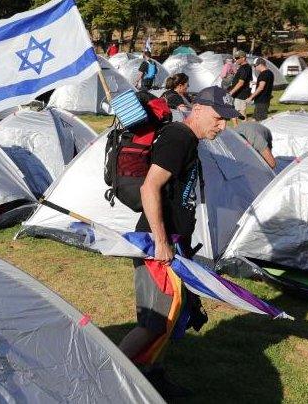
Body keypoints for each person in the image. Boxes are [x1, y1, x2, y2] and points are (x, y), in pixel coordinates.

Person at [118, 86, 240, 396]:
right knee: (153, 322)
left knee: (171, 318)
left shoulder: (189, 141)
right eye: (218, 118)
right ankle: (110, 372)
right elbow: (150, 188)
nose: (222, 126)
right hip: (155, 245)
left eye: (226, 120)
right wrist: (161, 241)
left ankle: (154, 377)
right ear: (197, 109)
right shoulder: (178, 138)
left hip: (173, 244)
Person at [227, 51, 252, 123]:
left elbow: (241, 83)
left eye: (237, 58)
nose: (235, 59)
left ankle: (245, 130)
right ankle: (237, 129)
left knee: (241, 112)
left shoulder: (245, 68)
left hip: (241, 94)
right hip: (238, 94)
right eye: (234, 58)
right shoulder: (243, 67)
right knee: (234, 111)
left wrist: (231, 92)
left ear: (243, 58)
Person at [247, 57, 274, 122]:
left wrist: (251, 97)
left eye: (255, 66)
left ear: (260, 64)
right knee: (255, 119)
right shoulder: (270, 72)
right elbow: (266, 83)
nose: (254, 67)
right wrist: (256, 82)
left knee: (259, 121)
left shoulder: (263, 74)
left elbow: (261, 87)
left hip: (261, 101)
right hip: (265, 100)